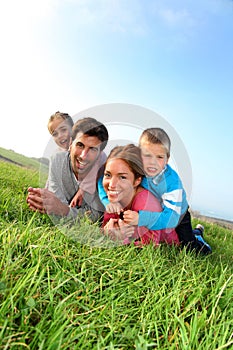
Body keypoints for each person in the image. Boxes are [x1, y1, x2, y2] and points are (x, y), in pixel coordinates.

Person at [99, 128, 211, 254]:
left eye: (159, 157)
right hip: (154, 208)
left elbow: (171, 219)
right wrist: (107, 201)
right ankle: (196, 231)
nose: (152, 163)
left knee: (188, 246)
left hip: (176, 213)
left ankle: (201, 242)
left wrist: (141, 218)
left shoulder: (172, 184)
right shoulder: (138, 168)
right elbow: (101, 180)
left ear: (167, 159)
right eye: (147, 155)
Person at [27, 117, 109, 222]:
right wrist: (44, 200)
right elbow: (56, 201)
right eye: (80, 145)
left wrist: (64, 210)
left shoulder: (102, 175)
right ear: (71, 143)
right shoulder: (57, 160)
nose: (83, 156)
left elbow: (96, 216)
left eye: (92, 149)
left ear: (99, 154)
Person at [102, 144, 180, 246]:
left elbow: (150, 247)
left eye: (122, 177)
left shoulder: (146, 204)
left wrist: (120, 240)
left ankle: (198, 233)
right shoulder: (116, 198)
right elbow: (106, 226)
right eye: (108, 175)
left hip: (170, 242)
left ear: (137, 181)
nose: (111, 185)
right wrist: (107, 231)